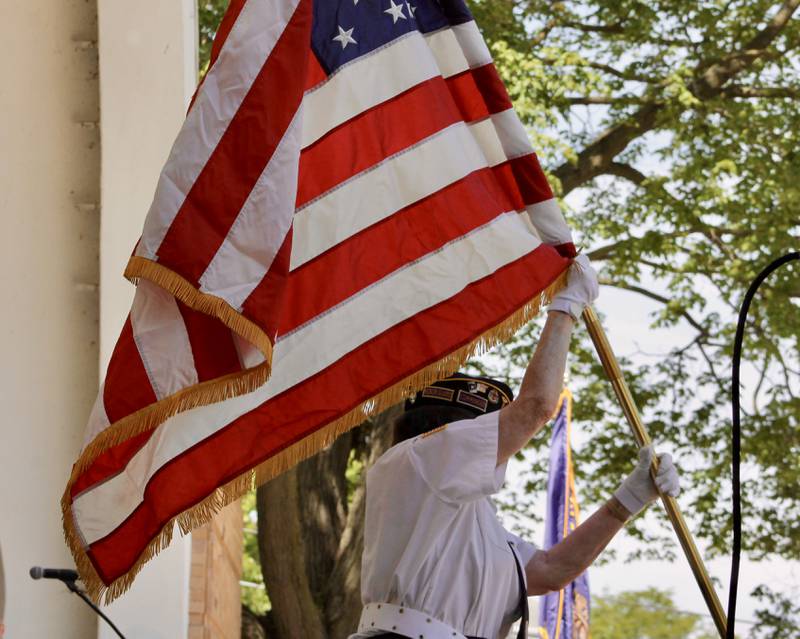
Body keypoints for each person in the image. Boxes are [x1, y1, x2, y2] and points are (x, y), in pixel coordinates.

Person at [348, 255, 681, 639]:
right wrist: (565, 308)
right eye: (484, 427)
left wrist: (630, 498)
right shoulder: (419, 460)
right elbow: (535, 409)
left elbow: (551, 571)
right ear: (444, 429)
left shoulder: (483, 528)